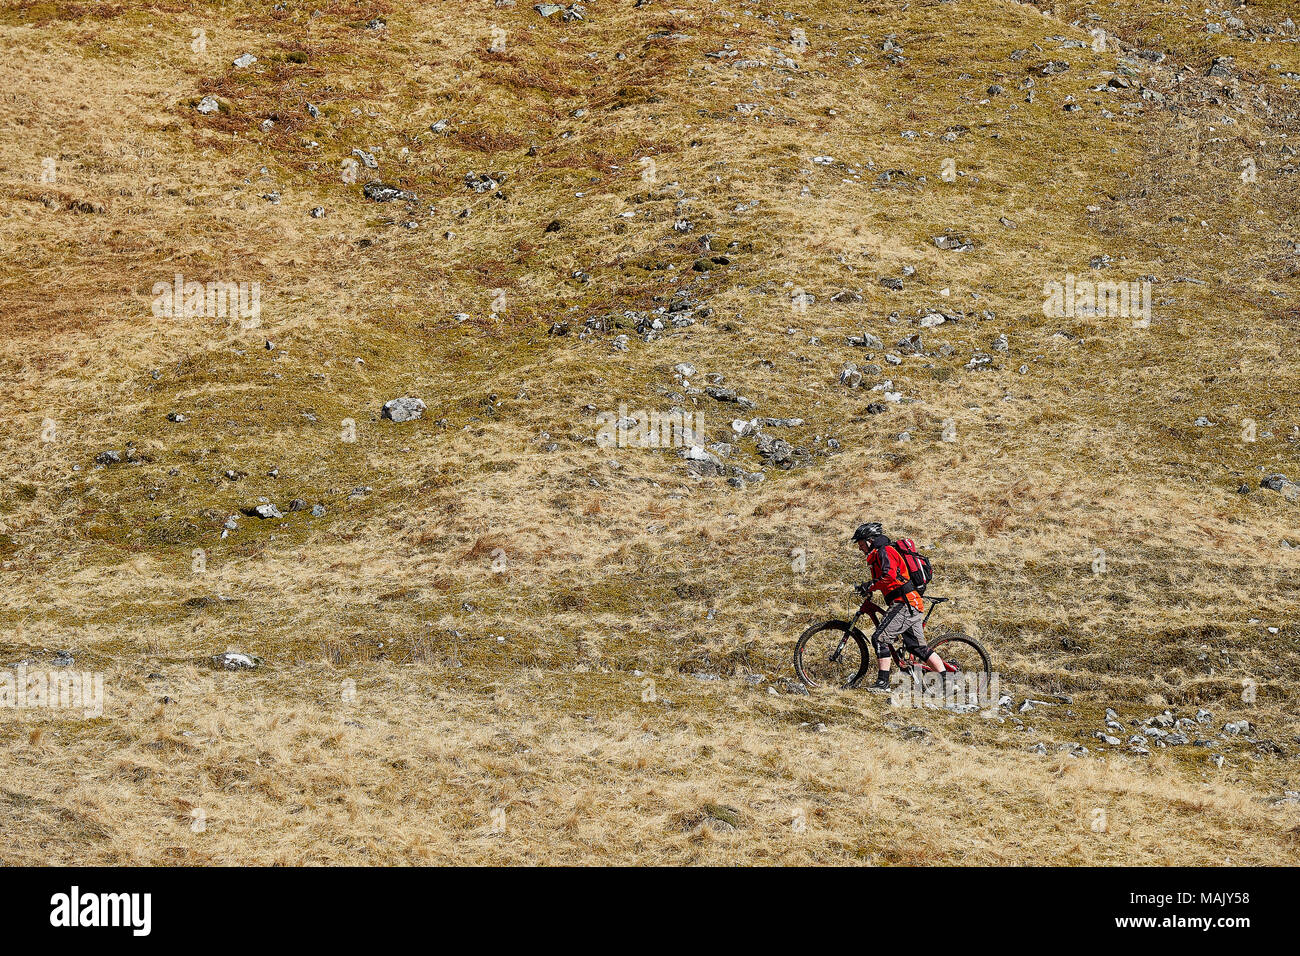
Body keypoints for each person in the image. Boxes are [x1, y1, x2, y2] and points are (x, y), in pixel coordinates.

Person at [850, 522, 948, 692]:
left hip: (905, 603)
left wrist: (870, 585)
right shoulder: (879, 553)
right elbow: (887, 580)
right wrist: (870, 588)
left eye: (860, 543)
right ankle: (947, 679)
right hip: (911, 603)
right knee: (917, 648)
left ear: (869, 540)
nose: (860, 548)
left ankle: (883, 683)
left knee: (880, 638)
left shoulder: (884, 551)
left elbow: (889, 576)